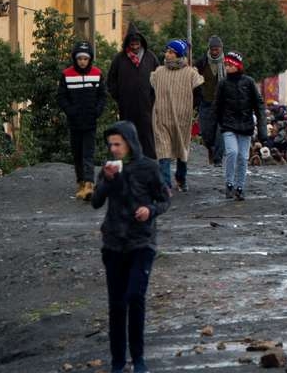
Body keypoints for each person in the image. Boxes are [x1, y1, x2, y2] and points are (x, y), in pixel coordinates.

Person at [91, 120, 170, 373]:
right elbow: (95, 202)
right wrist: (107, 180)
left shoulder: (148, 167)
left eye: (117, 144)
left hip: (142, 242)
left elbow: (165, 199)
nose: (113, 149)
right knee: (117, 305)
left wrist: (151, 210)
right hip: (114, 242)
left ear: (129, 143)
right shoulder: (108, 169)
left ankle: (138, 359)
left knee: (135, 297)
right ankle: (117, 361)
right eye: (110, 145)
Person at [151, 39, 203, 193]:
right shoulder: (159, 72)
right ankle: (165, 185)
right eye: (167, 51)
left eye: (171, 52)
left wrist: (190, 107)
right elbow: (150, 91)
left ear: (179, 54)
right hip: (161, 117)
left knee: (181, 149)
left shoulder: (190, 73)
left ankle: (181, 179)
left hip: (182, 119)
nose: (167, 54)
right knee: (163, 151)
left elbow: (199, 93)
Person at [58, 40, 107, 200]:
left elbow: (102, 96)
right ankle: (80, 182)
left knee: (88, 153)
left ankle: (89, 184)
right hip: (74, 122)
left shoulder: (97, 73)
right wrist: (70, 111)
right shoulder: (66, 74)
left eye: (85, 59)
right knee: (77, 154)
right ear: (75, 59)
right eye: (80, 59)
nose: (82, 61)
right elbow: (62, 97)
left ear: (90, 59)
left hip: (90, 122)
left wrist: (97, 111)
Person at [215, 50, 267, 201]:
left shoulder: (249, 82)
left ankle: (240, 187)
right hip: (228, 125)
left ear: (237, 65)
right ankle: (229, 183)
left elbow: (259, 105)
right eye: (226, 64)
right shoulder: (223, 84)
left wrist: (262, 129)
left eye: (230, 64)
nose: (227, 67)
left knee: (243, 157)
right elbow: (216, 107)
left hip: (246, 126)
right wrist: (211, 130)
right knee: (232, 152)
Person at [107, 27, 160, 158]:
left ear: (141, 43)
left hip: (146, 106)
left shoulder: (150, 57)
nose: (135, 47)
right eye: (132, 44)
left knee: (147, 134)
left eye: (137, 44)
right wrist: (119, 97)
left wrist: (153, 99)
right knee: (127, 134)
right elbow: (111, 81)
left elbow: (159, 79)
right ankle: (129, 160)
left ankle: (149, 161)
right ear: (128, 44)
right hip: (126, 106)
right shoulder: (119, 59)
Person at [195, 35, 227, 165]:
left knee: (221, 133)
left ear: (221, 49)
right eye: (213, 49)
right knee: (207, 135)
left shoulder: (227, 63)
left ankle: (218, 159)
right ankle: (211, 150)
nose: (215, 52)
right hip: (205, 104)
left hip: (222, 105)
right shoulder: (202, 63)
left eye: (217, 49)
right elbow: (194, 82)